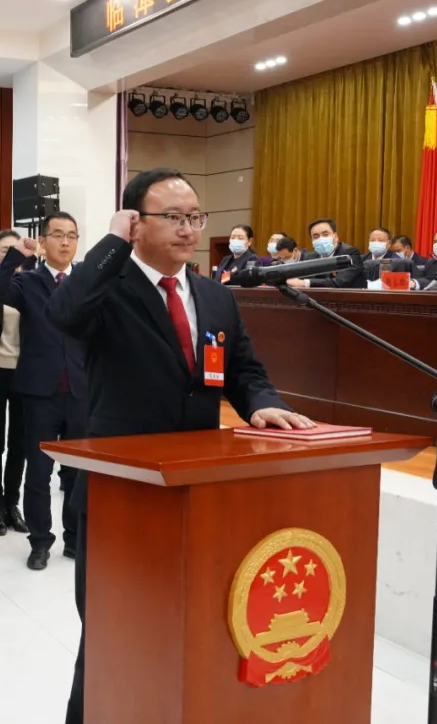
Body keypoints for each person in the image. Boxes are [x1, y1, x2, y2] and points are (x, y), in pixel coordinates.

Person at [46, 168, 313, 724]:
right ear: (135, 223)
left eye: (195, 218)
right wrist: (111, 242)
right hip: (124, 486)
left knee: (188, 624)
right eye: (173, 217)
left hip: (198, 485)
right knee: (111, 628)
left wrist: (260, 400)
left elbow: (242, 369)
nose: (188, 229)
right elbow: (64, 312)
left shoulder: (215, 297)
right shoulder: (108, 290)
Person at [0, 213, 86, 570]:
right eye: (57, 235)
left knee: (77, 473)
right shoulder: (28, 281)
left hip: (80, 391)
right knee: (39, 472)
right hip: (38, 391)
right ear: (43, 242)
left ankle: (75, 540)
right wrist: (15, 255)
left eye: (71, 236)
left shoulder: (87, 282)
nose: (64, 242)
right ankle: (41, 542)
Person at [0, 229, 29, 537]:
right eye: (3, 252)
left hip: (25, 373)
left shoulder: (33, 285)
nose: (10, 256)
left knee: (19, 444)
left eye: (16, 251)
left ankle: (13, 503)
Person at [288, 218, 366, 289]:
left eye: (325, 234)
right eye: (316, 236)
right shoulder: (310, 257)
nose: (321, 239)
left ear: (335, 236)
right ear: (312, 241)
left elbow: (340, 282)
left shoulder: (350, 253)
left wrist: (304, 283)